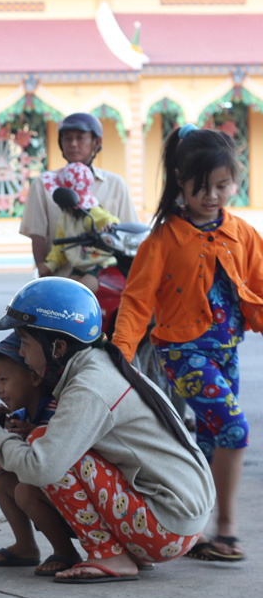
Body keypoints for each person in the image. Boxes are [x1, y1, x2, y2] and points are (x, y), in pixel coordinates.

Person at [0, 278, 215, 583]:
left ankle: (111, 555)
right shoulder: (96, 367)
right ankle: (118, 552)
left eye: (25, 342)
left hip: (166, 528)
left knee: (47, 448)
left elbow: (43, 468)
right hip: (171, 521)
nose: (21, 353)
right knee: (50, 445)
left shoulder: (89, 386)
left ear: (59, 347)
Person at [113, 124, 263, 563]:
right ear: (180, 179)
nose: (214, 195)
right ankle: (227, 529)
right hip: (181, 352)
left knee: (214, 440)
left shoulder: (244, 234)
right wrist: (120, 354)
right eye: (203, 187)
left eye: (223, 185)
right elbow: (136, 301)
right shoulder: (161, 240)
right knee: (234, 430)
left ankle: (193, 529)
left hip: (226, 351)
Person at [0, 334, 81, 577]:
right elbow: (23, 460)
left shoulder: (56, 408)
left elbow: (52, 455)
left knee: (25, 490)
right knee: (3, 483)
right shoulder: (20, 415)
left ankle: (65, 552)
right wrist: (2, 456)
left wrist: (30, 435)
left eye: (4, 380)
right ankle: (26, 547)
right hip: (57, 497)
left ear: (33, 377)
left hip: (81, 501)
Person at [20, 112, 138, 278]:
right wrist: (44, 271)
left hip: (107, 281)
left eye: (81, 138)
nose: (73, 144)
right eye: (67, 138)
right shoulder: (43, 184)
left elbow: (130, 233)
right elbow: (37, 235)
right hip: (61, 281)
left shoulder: (115, 184)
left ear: (96, 143)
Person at [39, 161, 119, 293]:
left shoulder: (92, 214)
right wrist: (50, 266)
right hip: (81, 267)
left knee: (77, 293)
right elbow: (60, 249)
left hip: (101, 265)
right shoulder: (65, 219)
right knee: (66, 292)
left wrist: (110, 226)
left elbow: (108, 219)